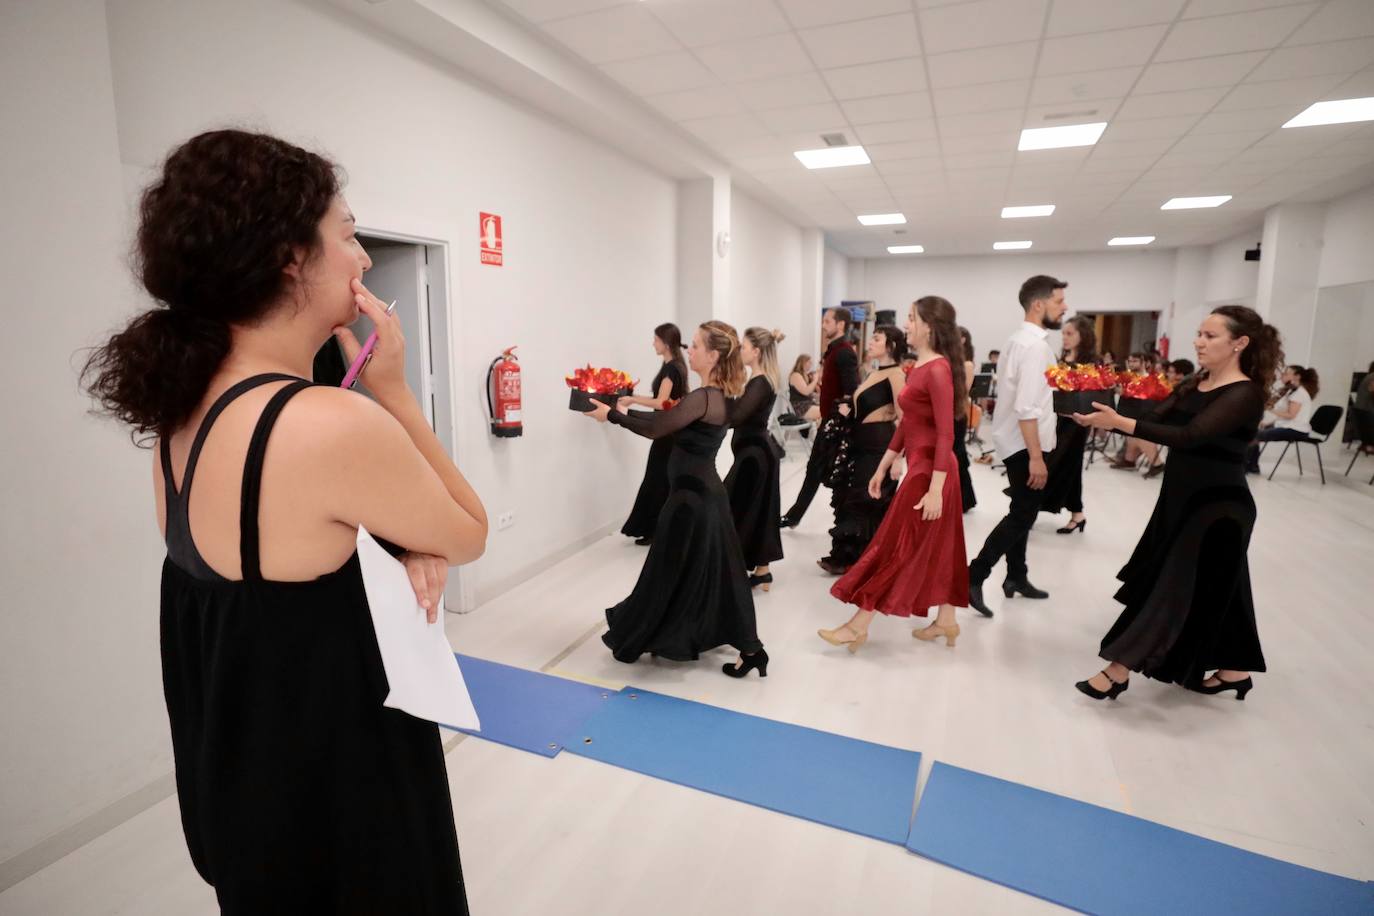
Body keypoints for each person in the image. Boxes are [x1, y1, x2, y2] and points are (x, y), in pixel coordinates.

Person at [80, 130, 486, 913]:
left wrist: (396, 546)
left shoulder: (181, 419)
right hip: (339, 803)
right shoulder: (326, 422)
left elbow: (283, 561)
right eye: (347, 233)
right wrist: (395, 391)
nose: (364, 258)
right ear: (288, 259)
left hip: (246, 803)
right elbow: (468, 530)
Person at [1071, 306, 1278, 702]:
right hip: (1180, 502)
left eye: (1210, 336)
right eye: (1199, 333)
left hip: (1217, 510)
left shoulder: (1244, 394)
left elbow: (1189, 437)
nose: (1199, 342)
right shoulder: (1197, 381)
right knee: (1222, 588)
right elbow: (1158, 417)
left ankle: (1118, 669)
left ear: (1240, 343)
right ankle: (1234, 669)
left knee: (1171, 589)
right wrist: (1104, 406)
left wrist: (1120, 423)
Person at [584, 322, 768, 679]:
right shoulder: (713, 397)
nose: (690, 350)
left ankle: (651, 633)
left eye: (696, 346)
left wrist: (613, 416)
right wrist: (624, 409)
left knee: (668, 572)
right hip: (703, 497)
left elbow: (657, 429)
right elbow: (668, 420)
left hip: (691, 501)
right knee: (720, 576)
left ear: (713, 356)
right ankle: (751, 649)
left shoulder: (704, 397)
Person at [821, 297, 970, 651]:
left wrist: (936, 489)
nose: (906, 325)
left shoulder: (938, 370)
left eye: (911, 318)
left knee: (893, 546)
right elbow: (909, 423)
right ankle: (947, 621)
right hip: (924, 467)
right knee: (943, 546)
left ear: (929, 326)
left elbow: (946, 434)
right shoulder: (921, 366)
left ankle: (858, 624)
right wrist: (886, 462)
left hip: (932, 472)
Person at [966, 275, 1067, 618]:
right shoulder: (1034, 346)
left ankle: (1016, 576)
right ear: (1038, 305)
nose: (1064, 307)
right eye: (1058, 301)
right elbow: (1026, 406)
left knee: (1023, 513)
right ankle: (974, 575)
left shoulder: (1018, 340)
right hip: (1027, 444)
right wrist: (1037, 457)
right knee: (1022, 514)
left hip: (1020, 440)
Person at [819, 326, 907, 574]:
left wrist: (899, 458)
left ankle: (864, 561)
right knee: (853, 497)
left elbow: (904, 419)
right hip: (861, 444)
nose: (870, 342)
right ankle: (849, 558)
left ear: (890, 345)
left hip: (880, 446)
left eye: (877, 339)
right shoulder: (872, 372)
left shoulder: (896, 375)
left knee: (867, 500)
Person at [780, 308, 859, 527]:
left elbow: (852, 390)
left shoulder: (844, 352)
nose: (823, 325)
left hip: (835, 424)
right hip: (829, 420)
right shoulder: (835, 351)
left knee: (828, 472)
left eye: (827, 321)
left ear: (841, 324)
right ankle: (795, 516)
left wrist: (838, 420)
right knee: (815, 469)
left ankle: (843, 522)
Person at [725, 328, 787, 590]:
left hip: (755, 456)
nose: (740, 350)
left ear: (756, 351)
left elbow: (737, 417)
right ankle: (762, 570)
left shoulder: (760, 382)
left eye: (743, 346)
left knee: (733, 509)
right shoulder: (758, 379)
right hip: (755, 453)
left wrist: (711, 403)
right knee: (757, 511)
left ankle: (733, 568)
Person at [620, 323, 689, 545]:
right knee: (661, 480)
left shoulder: (671, 368)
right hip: (670, 430)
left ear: (666, 343)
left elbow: (662, 402)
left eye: (656, 339)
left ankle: (653, 530)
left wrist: (632, 399)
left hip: (666, 432)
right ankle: (658, 529)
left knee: (656, 480)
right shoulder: (676, 365)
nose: (653, 343)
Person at [1039, 315, 1097, 535]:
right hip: (1061, 418)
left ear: (1083, 336)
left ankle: (1032, 507)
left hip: (1077, 422)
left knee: (1061, 463)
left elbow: (1088, 396)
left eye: (1069, 333)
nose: (1064, 337)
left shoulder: (1090, 363)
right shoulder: (1063, 358)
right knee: (1068, 465)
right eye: (1063, 333)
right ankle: (1077, 514)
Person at [1245, 364, 1319, 473]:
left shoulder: (1299, 393)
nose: (1282, 376)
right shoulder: (1291, 391)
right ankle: (1252, 466)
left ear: (1297, 377)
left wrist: (1270, 409)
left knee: (1254, 436)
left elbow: (1291, 415)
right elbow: (1288, 418)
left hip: (1296, 430)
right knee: (1253, 433)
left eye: (1286, 374)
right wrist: (1268, 423)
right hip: (1288, 426)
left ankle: (1246, 467)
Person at [954, 326, 978, 511]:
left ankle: (965, 499)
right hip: (951, 410)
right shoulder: (951, 361)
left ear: (962, 339)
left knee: (958, 453)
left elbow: (964, 390)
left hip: (958, 412)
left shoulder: (967, 364)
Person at [787, 354, 821, 423]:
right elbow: (806, 392)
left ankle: (817, 431)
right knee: (825, 411)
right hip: (799, 407)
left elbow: (810, 393)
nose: (810, 365)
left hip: (807, 404)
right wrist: (815, 380)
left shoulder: (804, 375)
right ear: (802, 363)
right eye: (809, 362)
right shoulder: (795, 375)